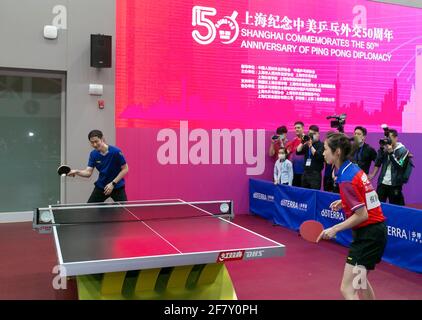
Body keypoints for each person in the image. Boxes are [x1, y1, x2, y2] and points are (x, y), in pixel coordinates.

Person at [318, 133, 387, 300]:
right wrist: (344, 201)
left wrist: (335, 228)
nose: (323, 152)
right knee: (361, 283)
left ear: (338, 152)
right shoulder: (352, 169)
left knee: (347, 289)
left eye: (326, 149)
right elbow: (366, 195)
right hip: (374, 232)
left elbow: (362, 215)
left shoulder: (346, 178)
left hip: (368, 236)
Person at [68, 130, 129, 203]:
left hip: (117, 186)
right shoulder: (93, 154)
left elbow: (125, 169)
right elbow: (88, 172)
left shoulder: (116, 152)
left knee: (124, 211)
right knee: (90, 209)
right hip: (101, 186)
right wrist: (76, 171)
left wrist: (112, 183)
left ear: (102, 139)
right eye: (92, 142)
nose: (94, 144)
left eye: (96, 141)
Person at [368, 129, 409, 206]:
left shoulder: (403, 151)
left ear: (396, 138)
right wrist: (381, 149)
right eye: (386, 138)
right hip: (382, 183)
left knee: (396, 207)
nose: (387, 140)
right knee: (378, 206)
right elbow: (378, 161)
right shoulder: (385, 148)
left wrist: (391, 153)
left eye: (389, 138)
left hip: (395, 184)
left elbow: (399, 166)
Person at [296, 125, 324, 190]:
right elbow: (298, 151)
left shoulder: (321, 145)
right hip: (305, 172)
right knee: (304, 193)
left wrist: (311, 146)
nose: (312, 135)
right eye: (310, 134)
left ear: (318, 134)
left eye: (314, 133)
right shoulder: (307, 144)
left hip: (315, 174)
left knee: (314, 193)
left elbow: (318, 156)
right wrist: (303, 142)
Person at [285, 121, 305, 187]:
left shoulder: (308, 140)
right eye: (295, 128)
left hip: (305, 172)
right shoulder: (293, 141)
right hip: (294, 172)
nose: (296, 129)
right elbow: (285, 152)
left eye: (298, 128)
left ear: (303, 128)